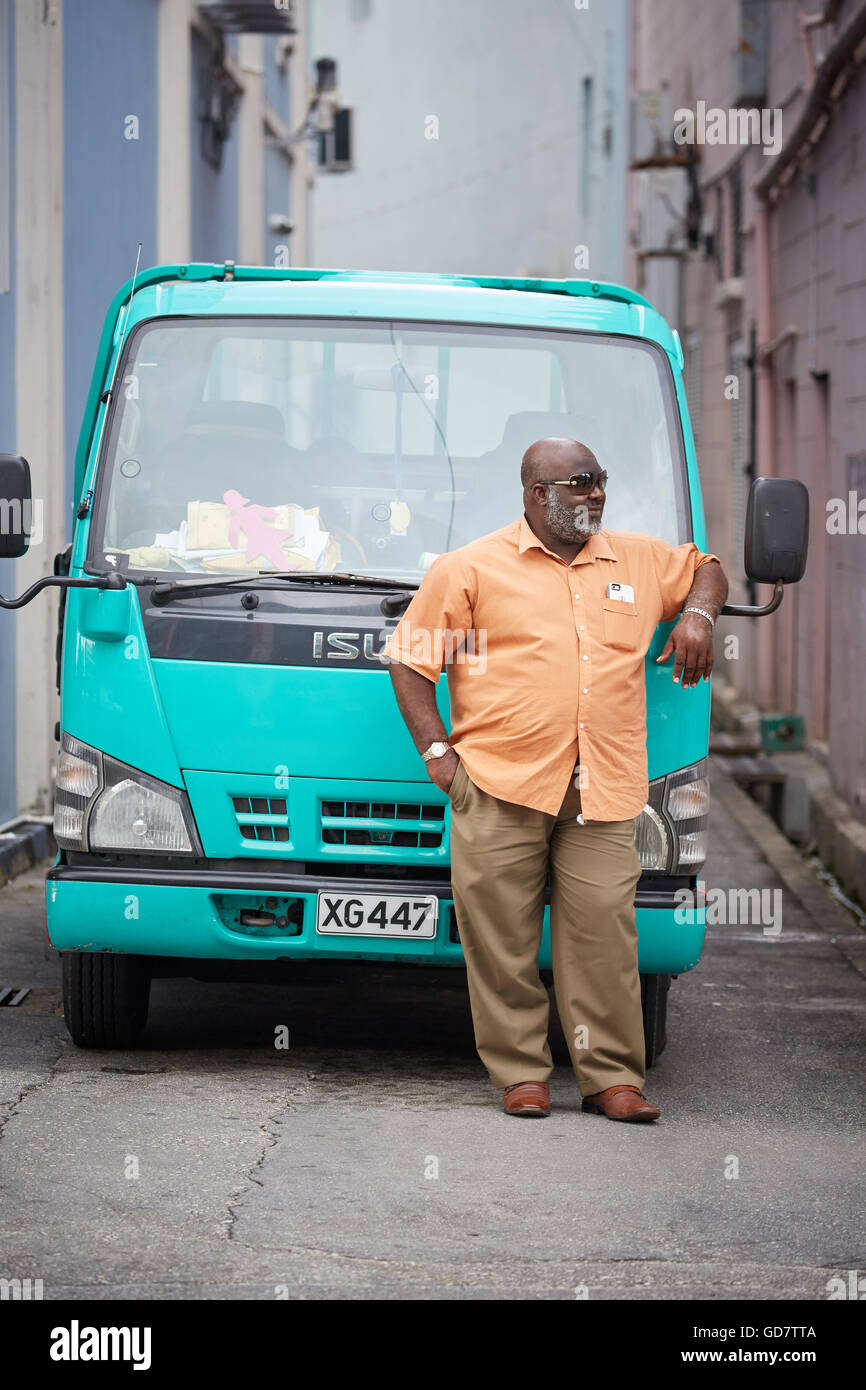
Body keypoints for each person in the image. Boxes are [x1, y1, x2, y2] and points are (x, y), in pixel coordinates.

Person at [385, 438, 728, 1122]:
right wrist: (439, 758)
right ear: (538, 494)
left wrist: (697, 613)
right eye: (580, 484)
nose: (596, 495)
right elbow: (410, 661)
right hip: (497, 783)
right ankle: (520, 1072)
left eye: (600, 482)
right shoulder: (471, 568)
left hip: (602, 787)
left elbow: (707, 568)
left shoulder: (633, 558)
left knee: (603, 931)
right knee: (500, 937)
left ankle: (611, 1079)